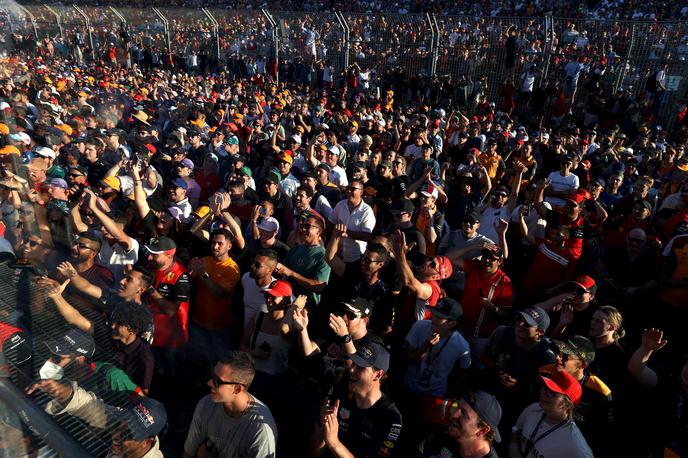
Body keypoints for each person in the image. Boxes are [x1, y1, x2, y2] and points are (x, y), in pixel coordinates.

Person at [29, 379, 167, 458]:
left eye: (127, 434)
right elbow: (89, 406)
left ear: (147, 441)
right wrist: (60, 390)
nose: (116, 435)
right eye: (117, 425)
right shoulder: (124, 419)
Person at [310, 341, 403, 457]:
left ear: (378, 375)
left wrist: (334, 443)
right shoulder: (338, 393)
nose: (352, 369)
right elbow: (314, 453)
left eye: (360, 367)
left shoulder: (390, 417)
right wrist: (321, 425)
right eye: (353, 363)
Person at [183, 351, 277, 457]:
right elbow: (188, 453)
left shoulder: (261, 432)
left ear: (237, 389)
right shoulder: (206, 404)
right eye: (212, 375)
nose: (209, 383)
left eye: (217, 381)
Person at [187, 228, 241, 377]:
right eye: (213, 243)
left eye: (220, 243)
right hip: (197, 322)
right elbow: (188, 286)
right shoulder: (204, 261)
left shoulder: (232, 269)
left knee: (216, 366)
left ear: (229, 246)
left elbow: (217, 294)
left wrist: (203, 273)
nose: (215, 247)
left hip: (219, 329)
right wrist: (191, 272)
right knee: (195, 360)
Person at [510, 370, 593, 457]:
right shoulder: (533, 408)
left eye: (553, 393)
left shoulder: (574, 443)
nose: (543, 393)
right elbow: (516, 428)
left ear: (567, 405)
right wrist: (513, 445)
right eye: (545, 388)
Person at [403, 297, 471, 398]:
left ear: (453, 323)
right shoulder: (419, 326)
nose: (433, 318)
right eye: (434, 313)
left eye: (439, 317)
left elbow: (464, 373)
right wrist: (425, 346)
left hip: (435, 395)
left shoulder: (462, 346)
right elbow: (405, 360)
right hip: (408, 387)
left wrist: (452, 395)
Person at [144, 236, 190, 375]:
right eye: (150, 253)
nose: (149, 258)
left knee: (170, 378)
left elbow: (171, 310)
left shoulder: (180, 275)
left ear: (169, 255)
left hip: (170, 341)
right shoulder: (150, 267)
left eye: (155, 255)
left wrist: (149, 289)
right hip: (152, 335)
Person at [418, 390, 502, 458]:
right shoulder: (446, 433)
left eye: (464, 414)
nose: (453, 414)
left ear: (483, 430)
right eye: (457, 406)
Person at [277, 211, 331, 308]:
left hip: (306, 309)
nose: (303, 229)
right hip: (286, 303)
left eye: (307, 226)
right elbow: (283, 274)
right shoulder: (294, 250)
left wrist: (292, 274)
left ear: (318, 231)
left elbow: (319, 286)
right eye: (302, 226)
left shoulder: (324, 256)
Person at [329, 180, 376, 263]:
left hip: (355, 258)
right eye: (347, 188)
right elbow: (331, 223)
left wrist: (346, 231)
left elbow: (366, 236)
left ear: (361, 192)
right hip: (337, 255)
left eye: (353, 189)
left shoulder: (367, 211)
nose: (349, 191)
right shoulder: (340, 205)